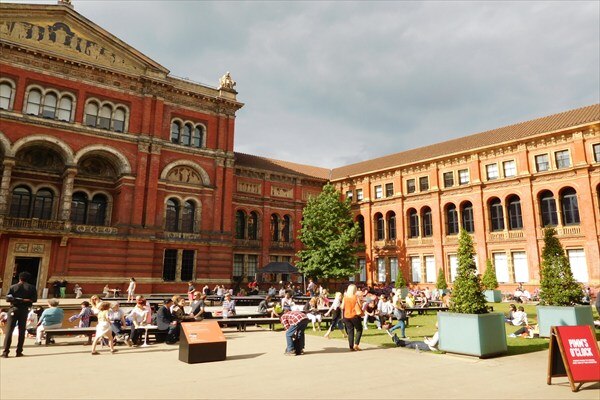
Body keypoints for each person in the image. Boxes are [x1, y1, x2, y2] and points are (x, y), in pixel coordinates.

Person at [2, 271, 38, 358]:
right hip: (24, 310)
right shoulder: (32, 288)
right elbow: (34, 299)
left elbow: (8, 299)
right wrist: (24, 300)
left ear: (19, 278)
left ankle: (5, 352)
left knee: (9, 331)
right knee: (21, 331)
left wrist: (17, 299)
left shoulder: (13, 287)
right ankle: (19, 351)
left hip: (13, 309)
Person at [341, 284, 363, 351]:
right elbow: (360, 306)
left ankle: (351, 347)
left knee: (350, 331)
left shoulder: (345, 297)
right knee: (359, 329)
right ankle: (356, 344)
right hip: (354, 315)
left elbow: (342, 307)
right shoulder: (356, 297)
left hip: (346, 316)